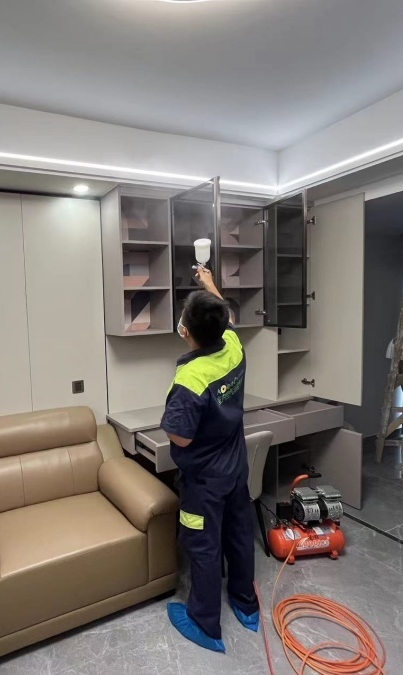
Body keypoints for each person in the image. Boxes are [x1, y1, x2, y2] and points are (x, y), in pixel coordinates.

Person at [162, 266, 259, 653]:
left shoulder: (191, 378)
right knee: (239, 534)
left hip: (203, 481)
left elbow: (181, 436)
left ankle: (205, 623)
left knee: (202, 545)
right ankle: (246, 604)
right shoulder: (233, 347)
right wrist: (208, 282)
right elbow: (226, 315)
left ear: (185, 331)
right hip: (235, 469)